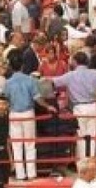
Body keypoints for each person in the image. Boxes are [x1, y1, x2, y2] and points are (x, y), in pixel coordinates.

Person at [3, 52, 56, 180]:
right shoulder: (30, 80)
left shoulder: (7, 83)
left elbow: (5, 100)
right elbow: (37, 98)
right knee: (30, 144)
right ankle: (31, 174)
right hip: (28, 113)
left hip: (14, 114)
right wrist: (48, 106)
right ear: (22, 65)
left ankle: (20, 174)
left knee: (16, 145)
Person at [52, 51, 96, 159]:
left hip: (79, 108)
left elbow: (53, 82)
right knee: (92, 136)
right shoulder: (95, 73)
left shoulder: (70, 75)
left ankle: (83, 162)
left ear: (75, 61)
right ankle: (90, 160)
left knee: (80, 135)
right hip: (92, 106)